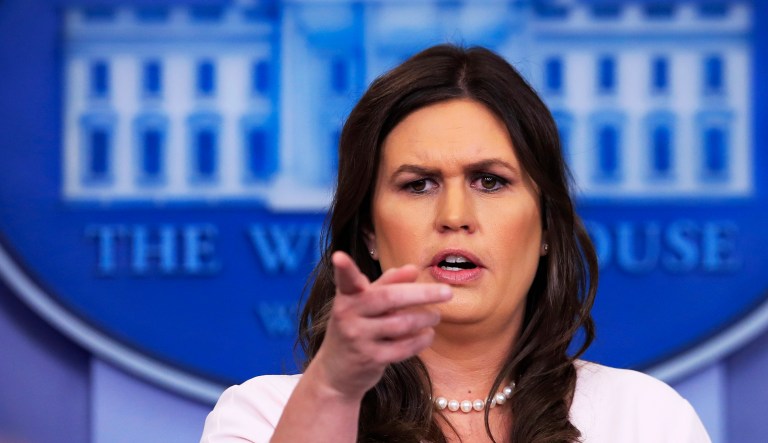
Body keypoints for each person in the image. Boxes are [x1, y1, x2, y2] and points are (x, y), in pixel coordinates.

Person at [200, 44, 710, 443]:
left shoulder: (646, 418)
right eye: (418, 184)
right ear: (370, 232)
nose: (454, 217)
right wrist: (333, 391)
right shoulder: (265, 416)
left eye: (490, 181)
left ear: (547, 227)